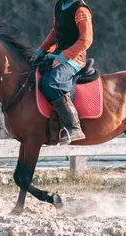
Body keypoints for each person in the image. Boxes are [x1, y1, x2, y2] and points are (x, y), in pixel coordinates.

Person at [34, 0, 93, 144]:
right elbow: (54, 32)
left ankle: (74, 127)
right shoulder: (60, 5)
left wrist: (63, 57)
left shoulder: (81, 10)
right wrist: (40, 52)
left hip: (75, 59)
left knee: (52, 83)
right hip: (58, 54)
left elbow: (86, 40)